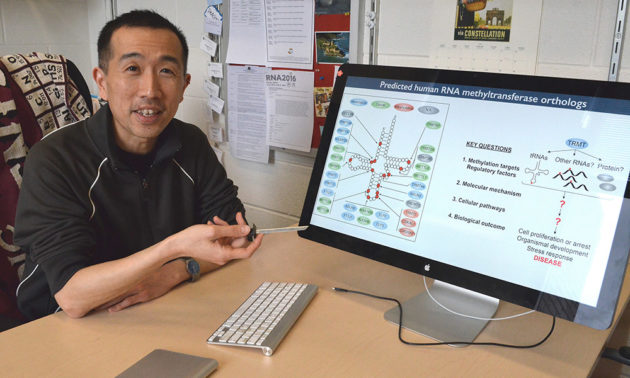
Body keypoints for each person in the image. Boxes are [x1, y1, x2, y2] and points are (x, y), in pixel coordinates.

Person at [13, 10, 263, 321]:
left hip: (163, 308)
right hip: (61, 325)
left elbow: (235, 238)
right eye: (133, 68)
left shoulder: (191, 143)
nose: (150, 90)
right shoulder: (54, 158)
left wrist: (176, 271)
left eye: (167, 72)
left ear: (184, 85)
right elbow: (72, 296)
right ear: (102, 83)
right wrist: (171, 251)